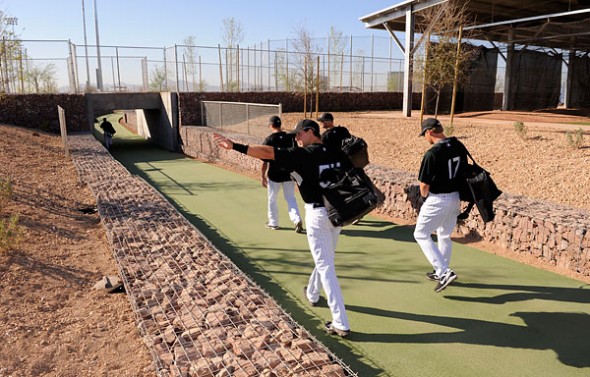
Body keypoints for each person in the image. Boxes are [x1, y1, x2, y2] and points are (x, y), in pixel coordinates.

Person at [214, 119, 352, 337]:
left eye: (299, 134)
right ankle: (313, 293)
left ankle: (340, 322)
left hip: (318, 214)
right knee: (325, 258)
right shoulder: (337, 152)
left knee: (325, 265)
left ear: (310, 132)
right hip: (339, 212)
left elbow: (268, 152)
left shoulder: (304, 154)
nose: (296, 138)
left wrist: (235, 146)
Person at [413, 118, 469, 293]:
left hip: (438, 199)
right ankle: (441, 272)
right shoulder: (458, 145)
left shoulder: (432, 153)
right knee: (444, 235)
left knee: (420, 234)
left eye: (424, 135)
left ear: (429, 132)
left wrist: (422, 198)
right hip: (455, 198)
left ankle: (444, 271)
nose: (425, 138)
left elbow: (424, 186)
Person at [261, 115, 303, 233]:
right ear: (280, 125)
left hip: (274, 175)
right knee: (290, 198)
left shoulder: (269, 140)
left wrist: (262, 175)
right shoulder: (290, 137)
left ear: (271, 125)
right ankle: (296, 219)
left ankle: (273, 223)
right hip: (289, 174)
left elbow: (265, 161)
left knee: (272, 199)